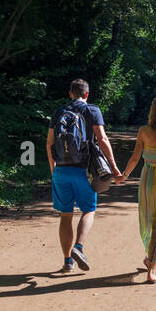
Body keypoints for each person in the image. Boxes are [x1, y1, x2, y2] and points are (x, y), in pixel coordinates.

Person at [47, 79, 120, 274]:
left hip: (61, 169)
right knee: (89, 210)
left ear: (70, 93)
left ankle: (67, 262)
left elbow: (49, 143)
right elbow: (103, 139)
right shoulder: (92, 110)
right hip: (84, 171)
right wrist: (114, 168)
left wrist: (53, 170)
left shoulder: (59, 112)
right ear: (87, 94)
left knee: (65, 215)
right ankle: (78, 247)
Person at [114, 95, 156, 284]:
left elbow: (135, 157)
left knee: (149, 219)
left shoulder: (143, 131)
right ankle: (151, 267)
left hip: (147, 178)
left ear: (152, 111)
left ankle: (150, 259)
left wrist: (124, 176)